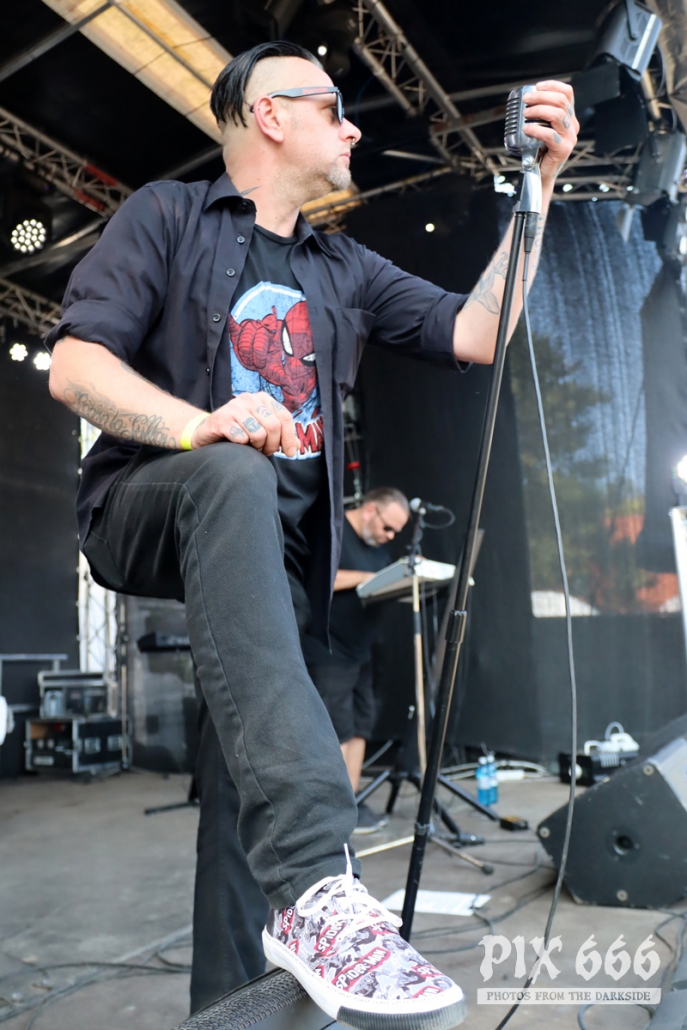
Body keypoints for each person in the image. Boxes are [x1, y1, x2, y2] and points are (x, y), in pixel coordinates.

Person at [46, 39, 578, 1027]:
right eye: (332, 107)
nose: (354, 128)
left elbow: (478, 331)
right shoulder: (167, 216)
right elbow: (75, 370)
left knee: (242, 787)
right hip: (151, 505)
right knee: (234, 472)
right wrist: (198, 426)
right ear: (269, 115)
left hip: (277, 569)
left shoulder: (343, 267)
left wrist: (535, 192)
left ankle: (231, 1007)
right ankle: (319, 885)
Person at [304, 487, 409, 833]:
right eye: (387, 527)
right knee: (335, 731)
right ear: (369, 510)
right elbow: (316, 579)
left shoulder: (377, 546)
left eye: (395, 532)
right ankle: (331, 809)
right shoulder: (331, 532)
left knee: (361, 725)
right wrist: (367, 579)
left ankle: (351, 799)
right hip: (329, 649)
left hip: (362, 649)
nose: (389, 536)